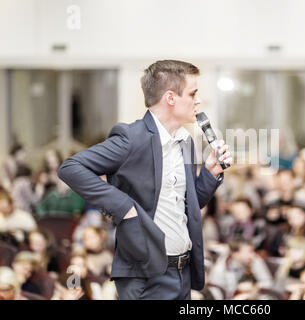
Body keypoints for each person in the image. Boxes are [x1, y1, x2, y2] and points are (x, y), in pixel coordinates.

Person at [57, 60, 232, 300]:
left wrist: (210, 174)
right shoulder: (131, 138)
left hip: (181, 273)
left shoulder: (186, 142)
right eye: (193, 94)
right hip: (145, 276)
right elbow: (71, 167)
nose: (198, 100)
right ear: (171, 98)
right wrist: (123, 207)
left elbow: (190, 206)